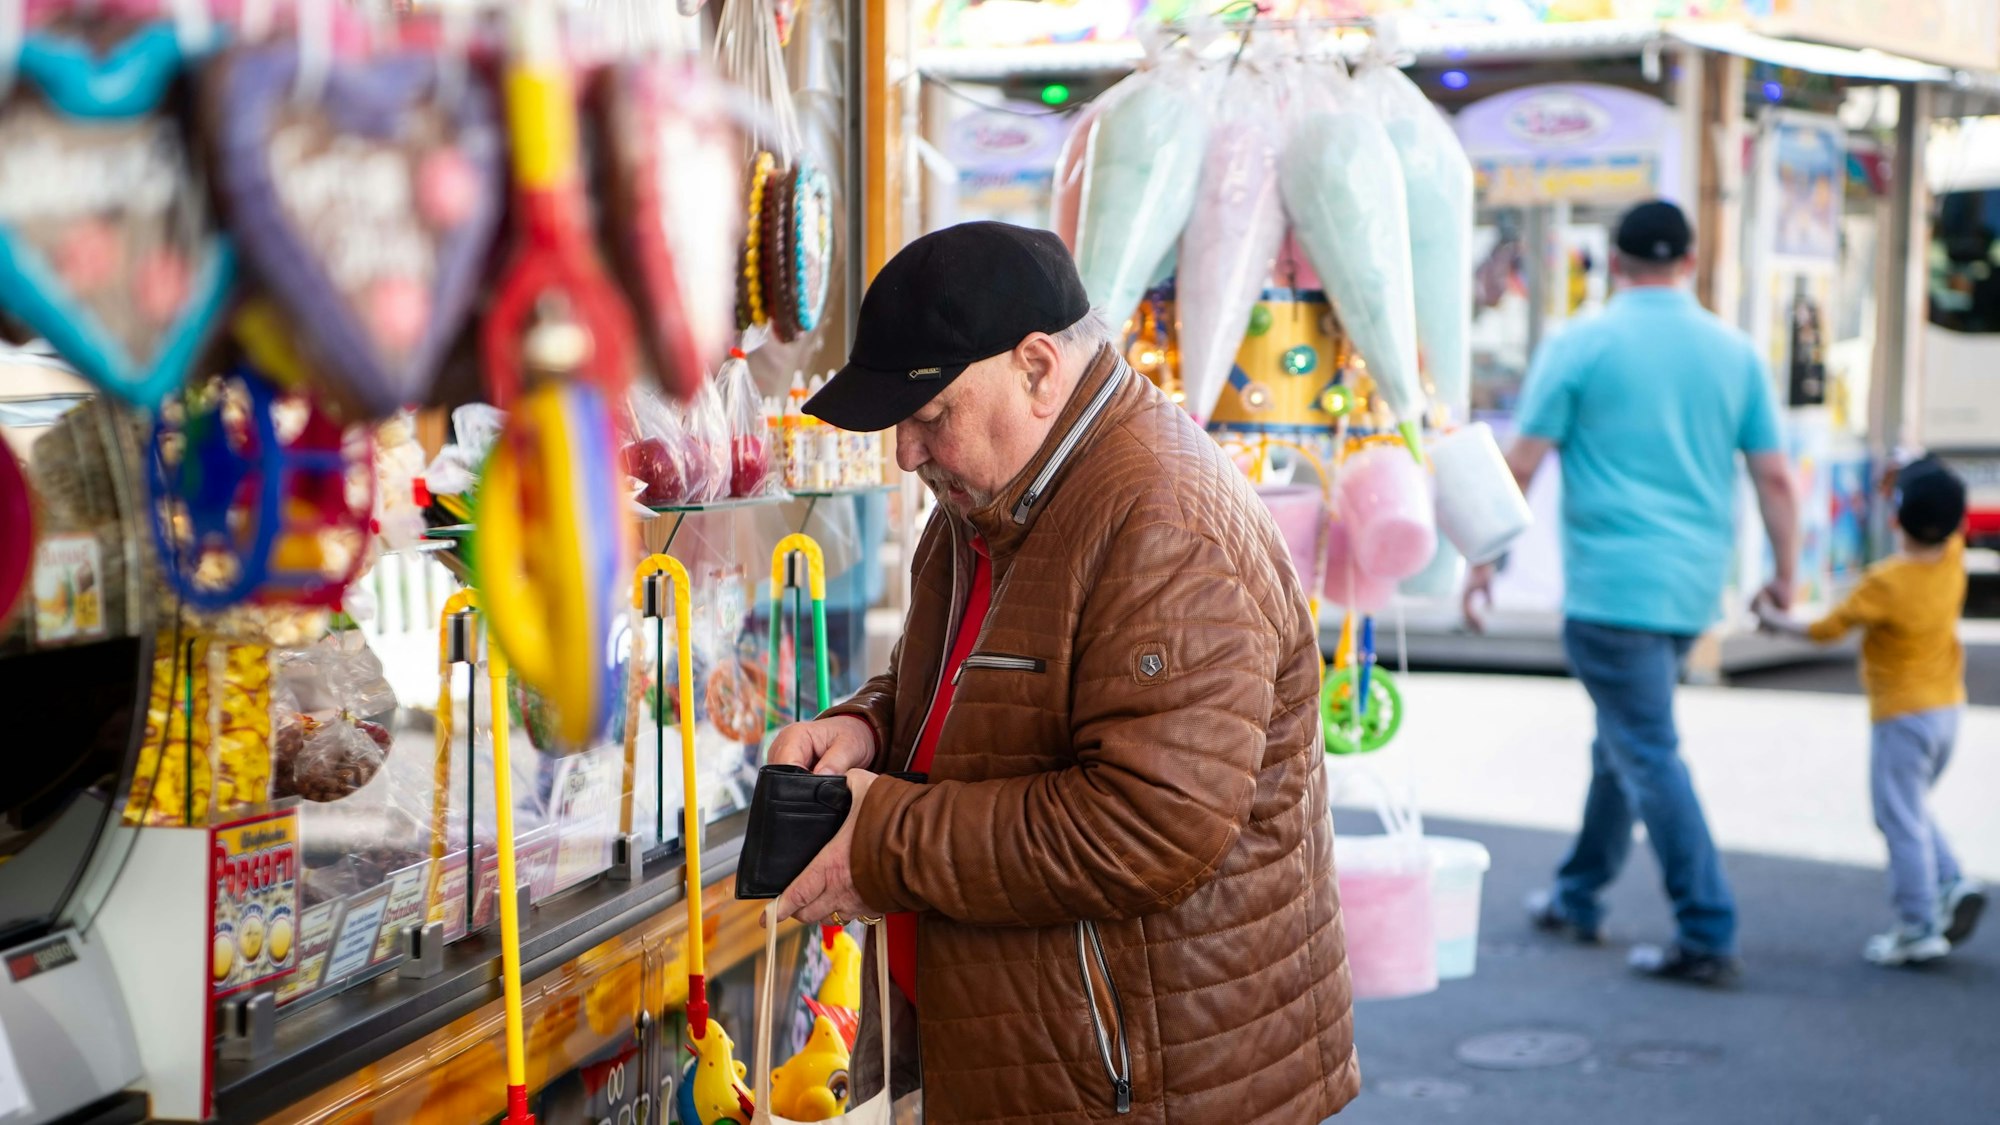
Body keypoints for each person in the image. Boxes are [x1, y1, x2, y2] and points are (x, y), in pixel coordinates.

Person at [764, 221, 1360, 1123]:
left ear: (1038, 369)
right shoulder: (996, 497)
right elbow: (984, 684)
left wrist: (885, 840)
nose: (906, 455)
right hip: (1046, 1057)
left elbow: (1149, 823)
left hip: (1146, 1084)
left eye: (930, 418)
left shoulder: (1163, 521)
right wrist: (874, 725)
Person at [1463, 199, 1800, 985]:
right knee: (1624, 741)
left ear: (1614, 262)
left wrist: (1483, 561)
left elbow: (1521, 464)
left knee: (1644, 749)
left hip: (1611, 593)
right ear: (1689, 261)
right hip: (1689, 593)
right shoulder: (1735, 351)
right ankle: (1578, 894)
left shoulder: (1581, 343)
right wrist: (1782, 573)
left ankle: (1707, 929)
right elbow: (1775, 476)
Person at [1755, 456, 1985, 965]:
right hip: (1947, 709)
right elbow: (1944, 513)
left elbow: (1823, 631)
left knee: (1896, 816)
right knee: (1912, 808)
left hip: (1902, 716)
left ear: (1896, 518)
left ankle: (1918, 924)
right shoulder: (1953, 557)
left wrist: (1772, 618)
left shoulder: (1886, 582)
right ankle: (1950, 881)